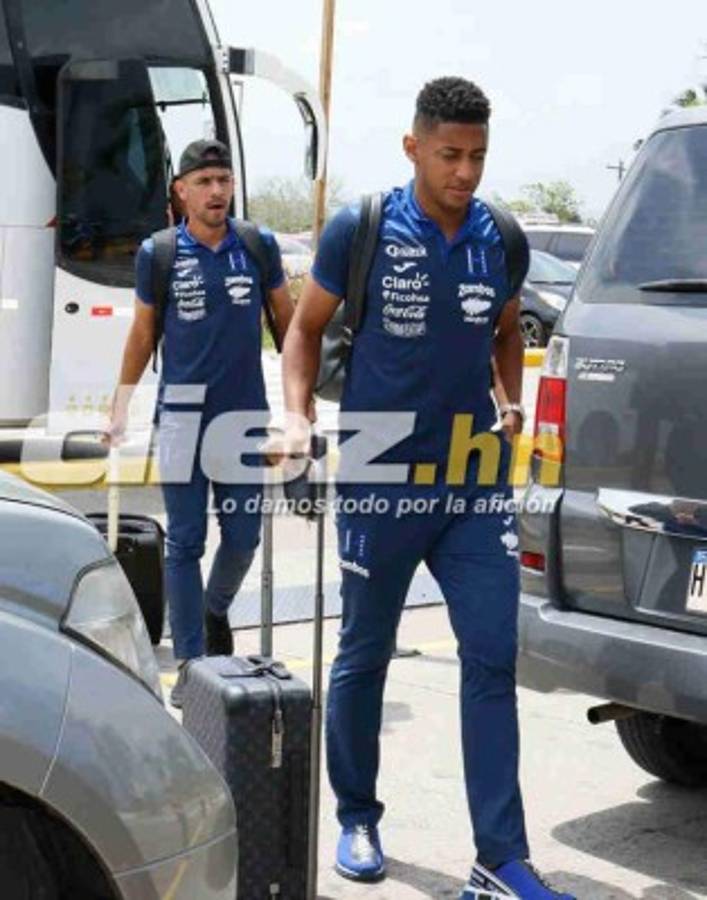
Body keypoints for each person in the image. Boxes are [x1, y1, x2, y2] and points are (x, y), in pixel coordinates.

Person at [282, 79, 575, 899]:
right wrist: (296, 419)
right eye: (449, 155)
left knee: (491, 655)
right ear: (412, 147)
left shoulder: (500, 237)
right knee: (364, 654)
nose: (465, 172)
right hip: (380, 473)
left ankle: (498, 858)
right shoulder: (363, 227)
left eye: (478, 156)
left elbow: (506, 327)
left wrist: (509, 397)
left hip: (472, 479)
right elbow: (303, 333)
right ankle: (356, 815)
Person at [108, 139, 293, 708]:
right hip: (182, 418)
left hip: (244, 418)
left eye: (224, 180)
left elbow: (289, 327)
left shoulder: (258, 246)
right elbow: (143, 334)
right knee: (185, 542)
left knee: (243, 536)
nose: (216, 191)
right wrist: (120, 405)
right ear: (182, 191)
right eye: (204, 181)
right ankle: (191, 664)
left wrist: (298, 410)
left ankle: (215, 609)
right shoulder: (158, 253)